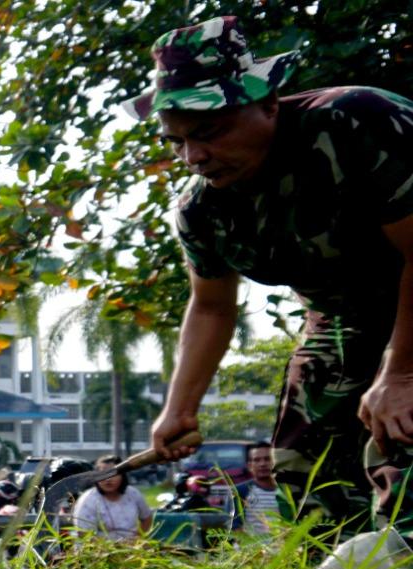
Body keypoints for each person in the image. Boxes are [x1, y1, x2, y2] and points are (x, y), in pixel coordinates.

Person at [129, 17, 413, 539]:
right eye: (177, 142)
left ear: (268, 104)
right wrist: (179, 410)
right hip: (344, 316)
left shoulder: (357, 122)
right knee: (306, 468)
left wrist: (400, 375)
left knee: (401, 438)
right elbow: (211, 306)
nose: (194, 158)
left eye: (209, 132)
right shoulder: (202, 209)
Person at [72, 455, 154, 543]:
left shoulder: (133, 493)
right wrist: (114, 548)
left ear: (123, 475)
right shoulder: (87, 500)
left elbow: (146, 518)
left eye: (113, 474)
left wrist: (138, 539)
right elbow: (84, 534)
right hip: (98, 551)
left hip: (131, 549)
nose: (108, 479)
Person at [235, 441, 283, 536]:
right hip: (251, 549)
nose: (262, 464)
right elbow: (235, 528)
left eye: (267, 459)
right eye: (257, 460)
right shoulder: (240, 491)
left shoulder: (286, 491)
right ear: (249, 465)